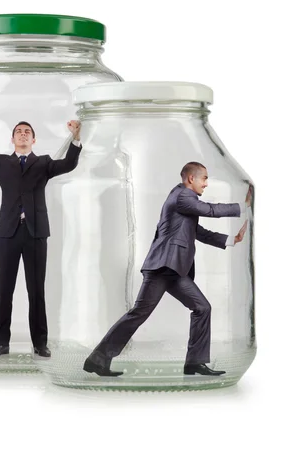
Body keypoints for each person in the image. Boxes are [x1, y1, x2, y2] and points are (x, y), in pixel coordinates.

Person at [84, 161, 251, 377]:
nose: (206, 184)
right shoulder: (183, 196)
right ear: (192, 178)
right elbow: (209, 209)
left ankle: (194, 363)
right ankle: (98, 359)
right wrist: (243, 206)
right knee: (138, 314)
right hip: (163, 267)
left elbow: (196, 231)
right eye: (205, 178)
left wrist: (230, 239)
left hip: (175, 270)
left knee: (202, 308)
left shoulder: (184, 201)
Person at [0, 119, 82, 358]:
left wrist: (76, 137)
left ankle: (40, 343)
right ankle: (1, 343)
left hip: (36, 233)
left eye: (27, 132)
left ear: (33, 139)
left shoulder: (44, 162)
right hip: (7, 233)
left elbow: (68, 164)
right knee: (4, 289)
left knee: (36, 290)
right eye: (18, 132)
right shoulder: (1, 163)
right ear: (12, 139)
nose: (23, 134)